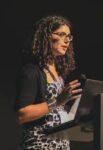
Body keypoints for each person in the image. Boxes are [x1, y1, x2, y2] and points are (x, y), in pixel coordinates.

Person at [15, 14, 82, 150]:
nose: (67, 40)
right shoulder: (31, 71)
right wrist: (57, 101)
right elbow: (21, 114)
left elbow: (56, 111)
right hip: (40, 145)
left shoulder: (59, 74)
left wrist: (77, 105)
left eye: (68, 36)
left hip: (61, 145)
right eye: (61, 34)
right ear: (46, 37)